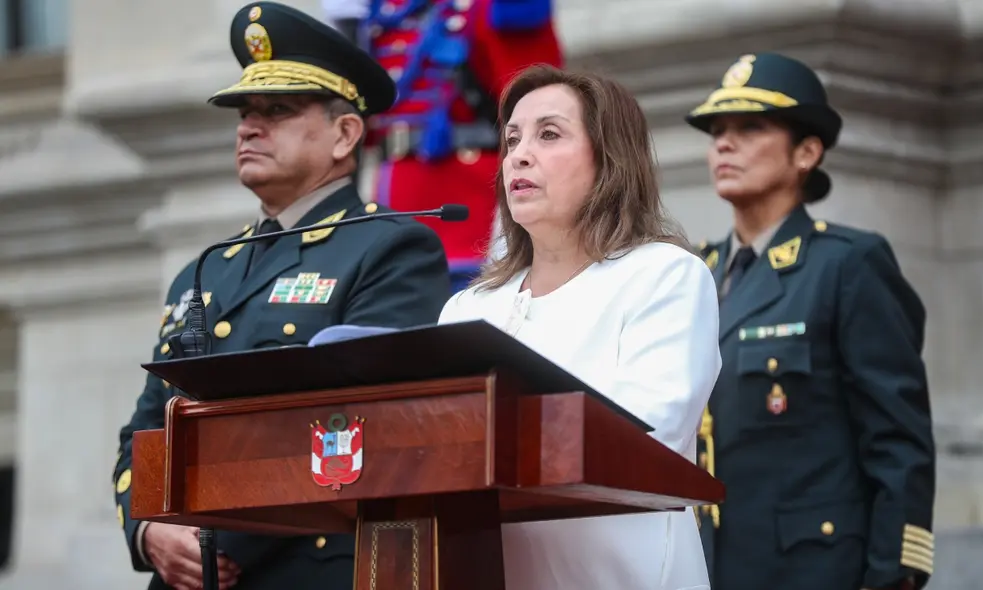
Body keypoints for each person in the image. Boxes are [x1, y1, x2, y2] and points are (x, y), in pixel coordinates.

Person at [112, 2, 453, 589]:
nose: (248, 127)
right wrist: (147, 531)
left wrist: (217, 533)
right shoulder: (205, 271)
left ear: (345, 133)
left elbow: (362, 420)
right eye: (245, 113)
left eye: (277, 110)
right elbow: (147, 429)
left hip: (305, 571)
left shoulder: (390, 250)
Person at [437, 63, 722, 590]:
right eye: (512, 139)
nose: (518, 155)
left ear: (608, 159)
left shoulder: (662, 275)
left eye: (549, 135)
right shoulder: (467, 309)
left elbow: (647, 432)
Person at [686, 52, 936, 590]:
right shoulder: (692, 276)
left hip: (814, 571)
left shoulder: (848, 264)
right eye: (717, 131)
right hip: (703, 568)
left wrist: (893, 576)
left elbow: (898, 443)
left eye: (750, 127)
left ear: (806, 152)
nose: (724, 143)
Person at [324, 0, 564, 291]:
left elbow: (534, 103)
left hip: (470, 202)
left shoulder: (484, 7)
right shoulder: (380, 12)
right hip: (393, 197)